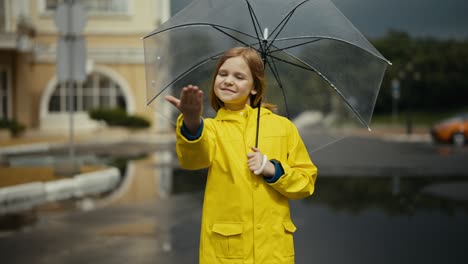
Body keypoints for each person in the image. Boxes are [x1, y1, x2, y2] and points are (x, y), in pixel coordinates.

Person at [165, 47, 317, 264]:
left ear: (255, 87)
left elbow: (306, 182)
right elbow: (193, 159)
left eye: (239, 76)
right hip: (227, 252)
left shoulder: (283, 128)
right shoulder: (211, 129)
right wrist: (191, 121)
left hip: (274, 252)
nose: (228, 81)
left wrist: (272, 169)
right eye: (223, 74)